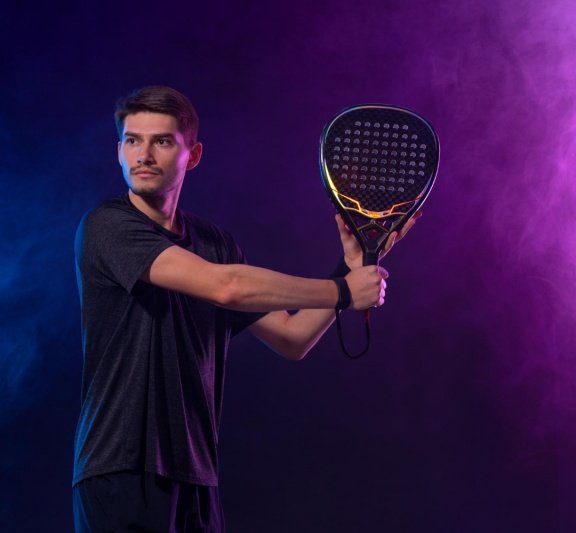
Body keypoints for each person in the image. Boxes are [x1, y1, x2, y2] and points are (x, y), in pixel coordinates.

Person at [72, 86, 418, 532]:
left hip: (196, 477)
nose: (144, 154)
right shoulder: (107, 227)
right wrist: (342, 291)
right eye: (132, 140)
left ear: (192, 155)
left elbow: (292, 339)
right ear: (118, 151)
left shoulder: (215, 243)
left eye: (161, 141)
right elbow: (227, 287)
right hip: (120, 470)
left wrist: (349, 268)